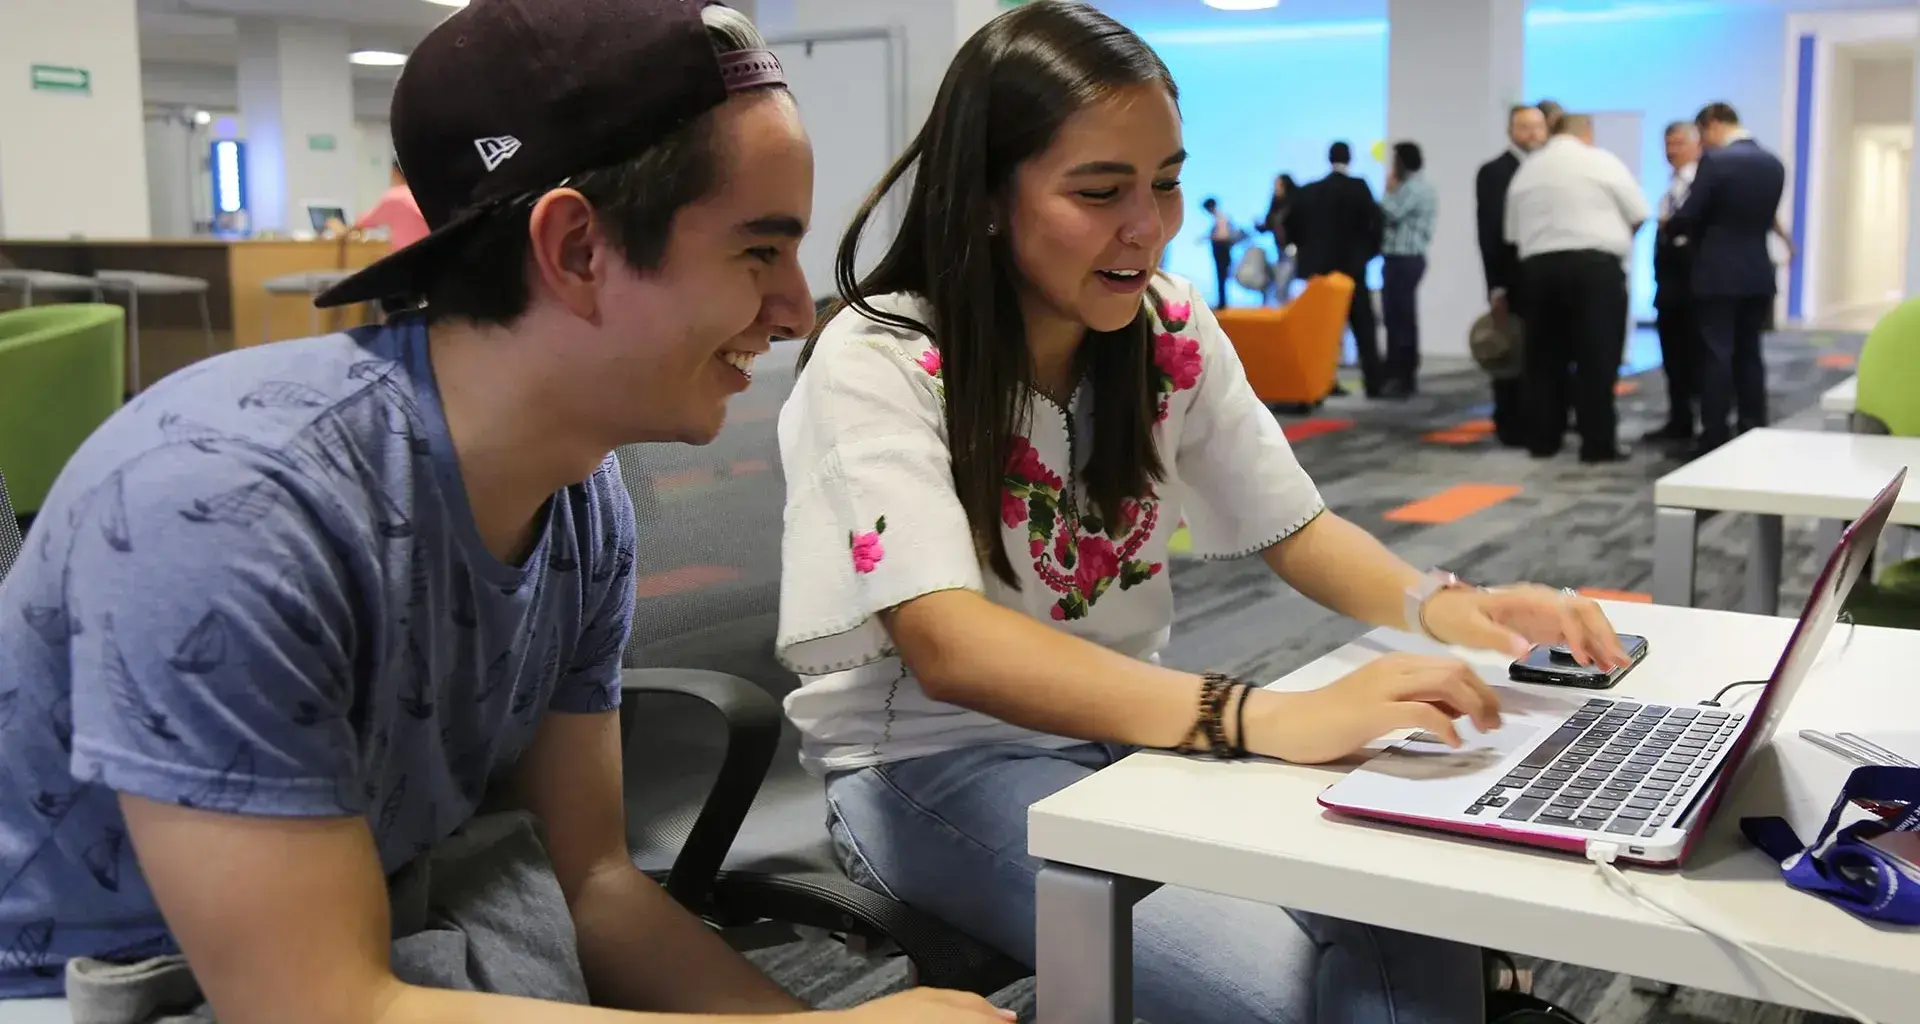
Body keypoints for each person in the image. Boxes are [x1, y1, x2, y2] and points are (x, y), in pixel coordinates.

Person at [0, 3, 1005, 1023]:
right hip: (99, 992)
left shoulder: (579, 502)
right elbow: (319, 1006)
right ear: (575, 248)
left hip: (373, 938)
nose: (796, 309)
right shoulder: (229, 507)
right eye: (758, 252)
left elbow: (594, 885)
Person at [774, 4, 1633, 1023]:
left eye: (1168, 182)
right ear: (989, 199)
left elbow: (1297, 526)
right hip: (929, 761)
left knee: (1415, 900)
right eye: (1100, 193)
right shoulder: (881, 357)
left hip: (1125, 721)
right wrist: (1261, 721)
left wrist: (1466, 608)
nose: (1148, 225)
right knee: (1281, 1000)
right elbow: (953, 647)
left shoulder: (1167, 325)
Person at [1505, 113, 1647, 462]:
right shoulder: (1601, 161)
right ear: (1587, 133)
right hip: (1594, 270)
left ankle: (1544, 440)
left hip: (1537, 271)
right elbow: (1639, 212)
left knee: (1543, 359)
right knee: (1597, 358)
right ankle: (1597, 443)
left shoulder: (1527, 171)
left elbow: (1511, 232)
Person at [1668, 102, 1787, 457]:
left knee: (1716, 352)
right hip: (1757, 270)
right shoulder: (1773, 162)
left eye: (1702, 134)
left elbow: (1690, 213)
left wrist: (1672, 227)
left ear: (1713, 124)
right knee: (1750, 352)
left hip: (1717, 272)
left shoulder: (1717, 162)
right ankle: (1753, 425)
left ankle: (1715, 433)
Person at [1286, 142, 1385, 396]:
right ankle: (1374, 382)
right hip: (1353, 270)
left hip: (1321, 272)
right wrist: (1367, 254)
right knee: (1364, 326)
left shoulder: (1311, 190)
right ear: (1350, 159)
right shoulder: (1359, 188)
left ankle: (1322, 381)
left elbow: (1290, 221)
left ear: (1328, 158)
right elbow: (1377, 223)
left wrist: (1304, 251)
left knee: (1323, 331)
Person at [1476, 105, 1548, 447]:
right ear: (1510, 131)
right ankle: (1509, 423)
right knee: (1509, 350)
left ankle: (1541, 419)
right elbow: (1489, 233)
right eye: (1525, 127)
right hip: (1512, 277)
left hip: (1545, 276)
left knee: (1542, 352)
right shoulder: (1494, 171)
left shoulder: (1550, 170)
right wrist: (1496, 286)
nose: (1532, 133)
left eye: (1538, 127)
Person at [1649, 121, 1703, 445]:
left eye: (1679, 143)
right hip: (1669, 289)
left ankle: (1702, 422)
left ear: (1697, 145)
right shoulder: (1670, 186)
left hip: (1694, 286)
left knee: (1697, 357)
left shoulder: (1702, 185)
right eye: (1668, 144)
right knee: (1673, 359)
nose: (1672, 151)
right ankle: (1679, 419)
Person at [1380, 141, 1436, 398]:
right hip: (1402, 259)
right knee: (1398, 317)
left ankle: (1402, 375)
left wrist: (1388, 190)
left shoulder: (1413, 188)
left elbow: (1391, 212)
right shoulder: (1417, 186)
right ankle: (1399, 372)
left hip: (1405, 258)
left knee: (1400, 318)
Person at [353, 159, 432, 252]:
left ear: (395, 172)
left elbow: (365, 221)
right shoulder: (428, 194)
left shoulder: (395, 196)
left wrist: (345, 228)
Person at [1261, 173, 1298, 304]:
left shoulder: (1295, 204)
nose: (1276, 188)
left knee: (1283, 283)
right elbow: (1268, 224)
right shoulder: (1275, 205)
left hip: (1292, 249)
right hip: (1280, 250)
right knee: (1280, 284)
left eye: (1278, 185)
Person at [1199, 196, 1237, 309]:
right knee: (1221, 276)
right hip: (1221, 249)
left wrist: (1209, 237)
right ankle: (1222, 301)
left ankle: (1222, 303)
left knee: (1221, 276)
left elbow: (1223, 235)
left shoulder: (1221, 218)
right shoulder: (1220, 218)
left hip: (1222, 250)